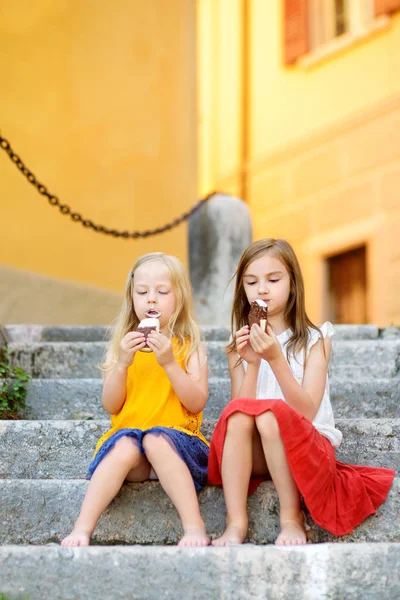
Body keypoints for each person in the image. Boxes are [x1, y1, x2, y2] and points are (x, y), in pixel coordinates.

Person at [207, 238, 396, 546]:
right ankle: (235, 522)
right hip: (259, 450)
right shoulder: (238, 344)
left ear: (292, 284)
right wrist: (252, 363)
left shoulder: (314, 340)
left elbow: (306, 411)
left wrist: (275, 358)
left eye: (273, 279)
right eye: (251, 282)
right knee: (241, 418)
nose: (262, 290)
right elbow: (237, 412)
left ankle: (291, 518)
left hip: (307, 446)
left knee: (270, 417)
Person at [61, 252, 210, 548]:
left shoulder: (188, 347)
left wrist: (169, 363)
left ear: (179, 298)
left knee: (155, 440)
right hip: (133, 447)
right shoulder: (121, 348)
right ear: (132, 297)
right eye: (142, 292)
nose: (151, 299)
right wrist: (122, 365)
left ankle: (194, 527)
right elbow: (111, 405)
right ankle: (82, 527)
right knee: (127, 443)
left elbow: (196, 402)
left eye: (162, 292)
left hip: (178, 442)